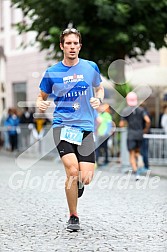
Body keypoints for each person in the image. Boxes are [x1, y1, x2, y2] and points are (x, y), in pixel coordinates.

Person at [36, 28, 104, 231]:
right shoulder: (52, 72)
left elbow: (99, 87)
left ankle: (79, 185)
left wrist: (98, 98)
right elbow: (41, 96)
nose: (72, 47)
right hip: (62, 126)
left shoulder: (90, 67)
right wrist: (40, 103)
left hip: (85, 127)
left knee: (85, 177)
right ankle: (73, 216)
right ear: (62, 46)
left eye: (75, 43)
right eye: (68, 44)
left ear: (80, 46)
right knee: (72, 171)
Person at [119, 92, 151, 180]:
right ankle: (139, 160)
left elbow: (121, 124)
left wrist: (126, 123)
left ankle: (136, 172)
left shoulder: (125, 110)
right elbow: (147, 120)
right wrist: (145, 130)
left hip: (131, 135)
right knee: (137, 151)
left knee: (131, 154)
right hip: (140, 134)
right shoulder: (141, 110)